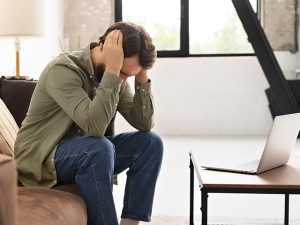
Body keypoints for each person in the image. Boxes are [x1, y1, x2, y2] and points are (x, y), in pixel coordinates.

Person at [14, 21, 164, 225]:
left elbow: (144, 123)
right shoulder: (63, 70)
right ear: (106, 48)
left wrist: (141, 77)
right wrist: (113, 71)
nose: (124, 78)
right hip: (42, 156)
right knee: (98, 148)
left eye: (129, 74)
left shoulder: (118, 74)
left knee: (151, 143)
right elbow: (95, 128)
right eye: (123, 73)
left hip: (85, 153)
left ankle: (130, 222)